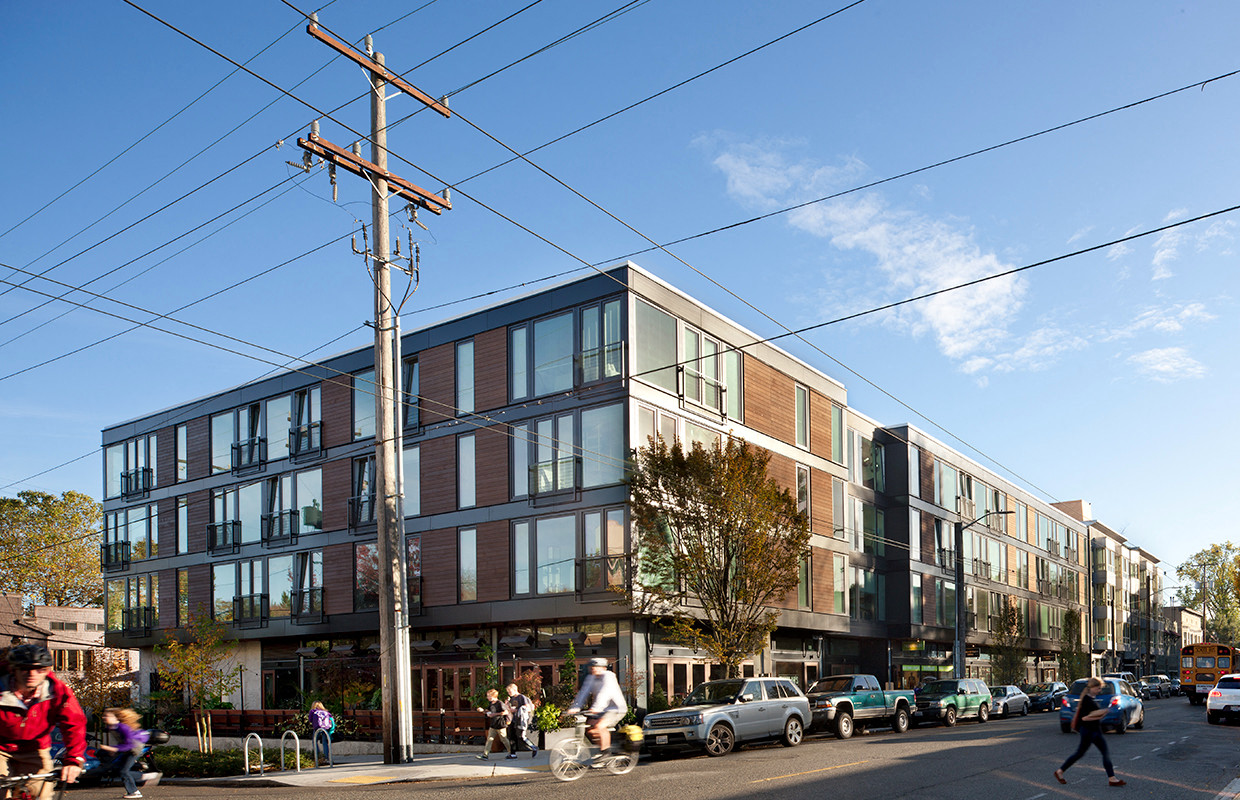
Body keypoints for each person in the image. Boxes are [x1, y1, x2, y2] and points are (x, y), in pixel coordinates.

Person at [0, 644, 87, 799]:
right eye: (24, 669)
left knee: (42, 793)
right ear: (13, 670)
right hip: (1, 747)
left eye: (39, 669)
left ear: (47, 671)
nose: (32, 674)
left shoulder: (58, 691)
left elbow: (74, 724)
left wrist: (73, 760)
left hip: (36, 747)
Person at [1055, 677, 1126, 788]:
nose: (1099, 691)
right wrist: (1101, 714)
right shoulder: (1087, 700)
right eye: (1098, 688)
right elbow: (1085, 718)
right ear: (1092, 687)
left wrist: (1102, 714)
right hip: (1089, 731)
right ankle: (1112, 778)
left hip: (1094, 730)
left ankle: (1112, 778)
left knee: (1086, 753)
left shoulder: (1089, 698)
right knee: (1091, 753)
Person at [566, 658, 627, 761]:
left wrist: (596, 708)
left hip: (616, 709)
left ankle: (606, 752)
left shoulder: (609, 677)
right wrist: (575, 707)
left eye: (595, 667)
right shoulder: (591, 678)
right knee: (589, 729)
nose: (593, 669)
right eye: (591, 667)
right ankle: (607, 747)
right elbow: (583, 693)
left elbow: (605, 693)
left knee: (599, 726)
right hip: (602, 709)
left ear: (603, 668)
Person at [98, 708, 148, 800]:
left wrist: (113, 748)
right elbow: (122, 743)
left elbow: (129, 745)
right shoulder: (112, 727)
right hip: (126, 749)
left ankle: (134, 791)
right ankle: (139, 777)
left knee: (124, 771)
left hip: (134, 749)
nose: (104, 717)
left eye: (107, 715)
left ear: (116, 718)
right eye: (104, 715)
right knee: (117, 768)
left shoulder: (123, 728)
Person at [503, 684, 537, 759]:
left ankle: (533, 747)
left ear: (515, 690)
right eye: (508, 692)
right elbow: (510, 710)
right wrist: (507, 705)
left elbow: (527, 708)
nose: (509, 693)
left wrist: (516, 709)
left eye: (510, 691)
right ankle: (513, 753)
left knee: (521, 736)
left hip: (521, 720)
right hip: (514, 719)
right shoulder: (511, 699)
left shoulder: (522, 697)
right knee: (511, 735)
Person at [476, 689, 509, 760]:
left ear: (493, 696)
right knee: (489, 739)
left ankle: (510, 752)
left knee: (504, 739)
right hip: (493, 724)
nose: (487, 697)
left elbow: (506, 712)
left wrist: (494, 714)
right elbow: (488, 711)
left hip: (500, 724)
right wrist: (482, 711)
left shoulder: (500, 703)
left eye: (489, 696)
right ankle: (485, 755)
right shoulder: (491, 704)